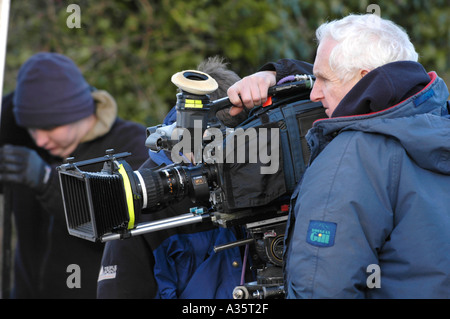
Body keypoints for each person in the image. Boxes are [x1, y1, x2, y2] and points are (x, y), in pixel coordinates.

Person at [227, 14, 450, 298]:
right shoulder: (436, 121)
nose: (313, 94)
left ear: (364, 78)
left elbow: (321, 289)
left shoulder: (350, 158)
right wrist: (276, 74)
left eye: (322, 79)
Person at [97, 56, 250, 299]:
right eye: (207, 147)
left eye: (231, 151)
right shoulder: (144, 195)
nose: (216, 161)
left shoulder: (257, 175)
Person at [0, 52, 149, 298]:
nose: (39, 139)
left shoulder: (131, 146)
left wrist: (47, 182)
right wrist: (22, 102)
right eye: (32, 127)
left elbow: (117, 222)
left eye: (49, 128)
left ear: (78, 110)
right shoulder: (26, 142)